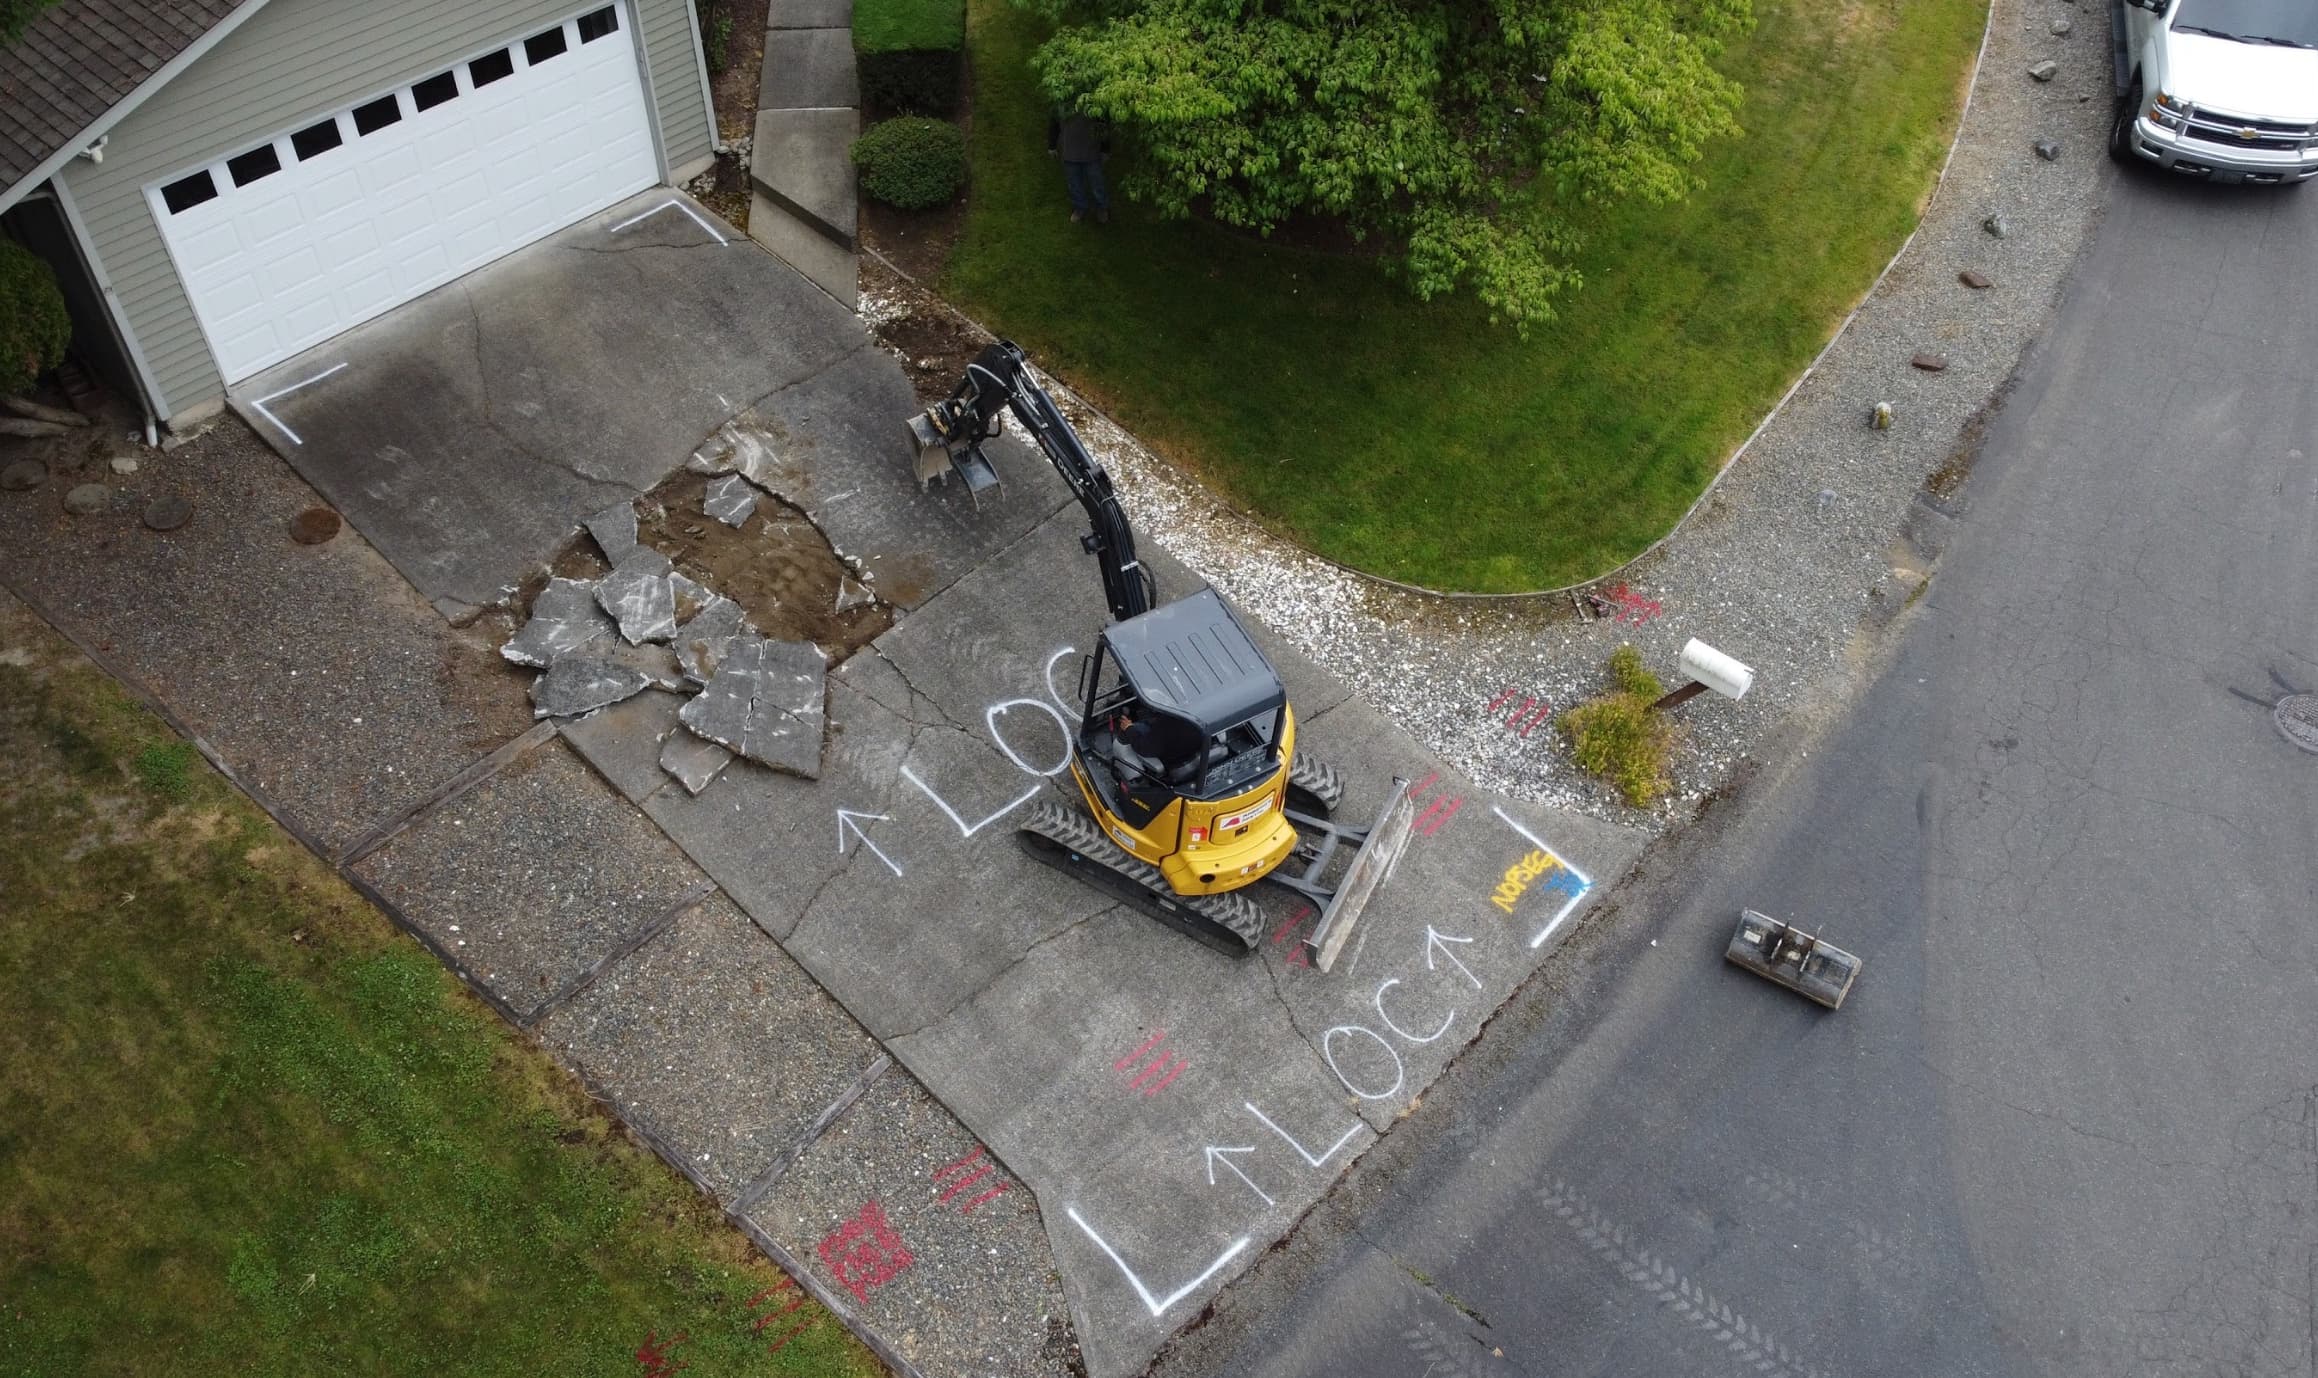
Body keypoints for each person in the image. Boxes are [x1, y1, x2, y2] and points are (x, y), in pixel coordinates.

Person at [1047, 109, 1111, 224]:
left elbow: (1103, 125)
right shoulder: (1061, 102)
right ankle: (1080, 208)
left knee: (1097, 184)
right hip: (1069, 151)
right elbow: (1054, 123)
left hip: (1092, 152)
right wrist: (1052, 145)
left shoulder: (1092, 101)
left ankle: (1102, 208)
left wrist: (1105, 149)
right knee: (1074, 185)